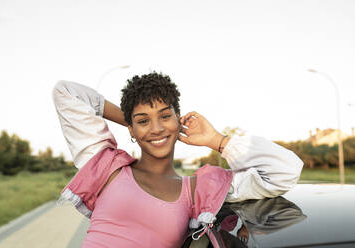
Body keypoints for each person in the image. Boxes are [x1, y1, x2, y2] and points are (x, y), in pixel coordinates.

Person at [52, 72, 303, 248]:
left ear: (177, 118)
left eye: (164, 117)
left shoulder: (199, 191)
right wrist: (130, 120)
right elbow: (65, 92)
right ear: (131, 128)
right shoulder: (108, 169)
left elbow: (285, 171)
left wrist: (216, 139)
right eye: (143, 120)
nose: (156, 128)